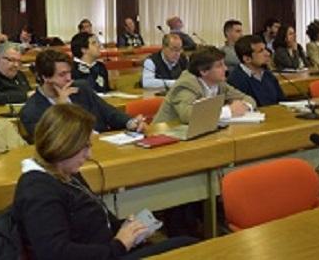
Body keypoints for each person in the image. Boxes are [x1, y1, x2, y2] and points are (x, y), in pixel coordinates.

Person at [13, 104, 196, 260]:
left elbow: (96, 214)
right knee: (187, 247)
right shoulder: (37, 190)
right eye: (84, 147)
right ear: (63, 145)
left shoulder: (67, 172)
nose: (89, 155)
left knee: (187, 245)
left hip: (108, 249)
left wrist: (124, 229)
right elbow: (56, 253)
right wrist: (119, 245)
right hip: (107, 254)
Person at [20, 50, 146, 138]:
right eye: (62, 75)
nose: (69, 78)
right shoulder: (31, 111)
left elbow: (109, 112)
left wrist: (131, 122)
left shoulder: (80, 88)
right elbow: (53, 143)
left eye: (69, 72)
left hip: (101, 144)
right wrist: (62, 109)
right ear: (45, 78)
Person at [153, 46, 256, 123]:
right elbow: (188, 115)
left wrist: (244, 107)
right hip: (165, 137)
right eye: (219, 66)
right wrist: (228, 111)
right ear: (203, 71)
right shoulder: (186, 84)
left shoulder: (220, 83)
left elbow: (249, 99)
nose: (226, 69)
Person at [227, 35, 286, 107]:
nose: (267, 54)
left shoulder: (268, 75)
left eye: (265, 49)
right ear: (247, 59)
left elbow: (282, 101)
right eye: (261, 51)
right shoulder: (236, 80)